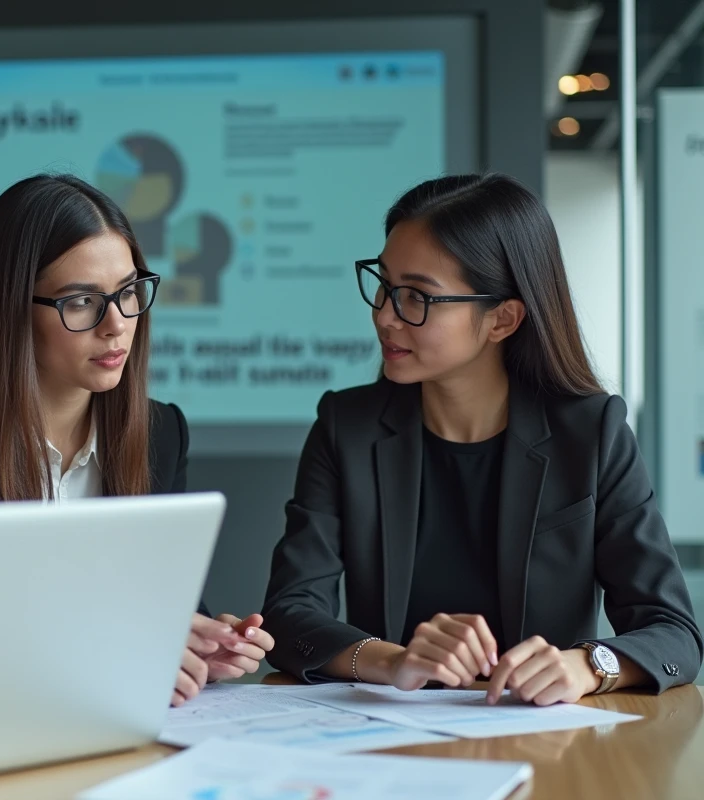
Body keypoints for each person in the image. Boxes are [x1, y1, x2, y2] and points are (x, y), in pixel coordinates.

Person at [262, 174, 701, 705]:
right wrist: (392, 660)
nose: (384, 315)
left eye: (416, 297)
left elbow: (674, 632)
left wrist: (588, 665)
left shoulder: (591, 434)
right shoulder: (346, 426)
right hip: (389, 733)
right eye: (384, 284)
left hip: (545, 736)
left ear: (502, 319)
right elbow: (288, 614)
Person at [0, 174, 272, 707]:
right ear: (12, 306)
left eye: (128, 291)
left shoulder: (161, 432)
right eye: (81, 301)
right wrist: (121, 649)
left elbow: (166, 611)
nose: (116, 324)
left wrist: (200, 646)